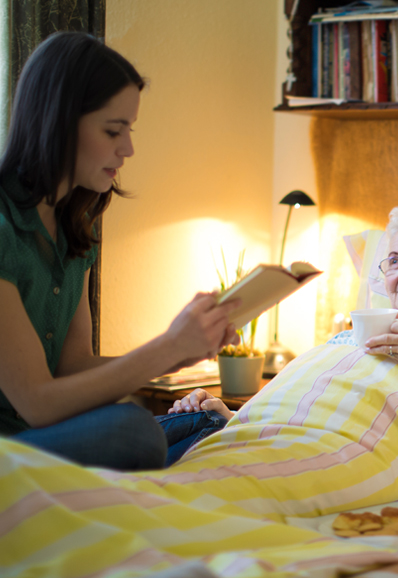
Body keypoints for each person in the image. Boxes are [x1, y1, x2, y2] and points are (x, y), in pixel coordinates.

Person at [0, 32, 240, 470]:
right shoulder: (4, 229)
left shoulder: (73, 226)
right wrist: (165, 349)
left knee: (206, 421)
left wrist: (183, 351)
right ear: (58, 121)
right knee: (131, 430)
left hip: (43, 436)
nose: (128, 149)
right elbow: (36, 401)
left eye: (129, 129)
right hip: (12, 441)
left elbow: (73, 366)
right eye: (113, 130)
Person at [184, 199, 398, 472]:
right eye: (394, 261)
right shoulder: (350, 335)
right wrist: (230, 418)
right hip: (240, 437)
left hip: (321, 457)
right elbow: (305, 401)